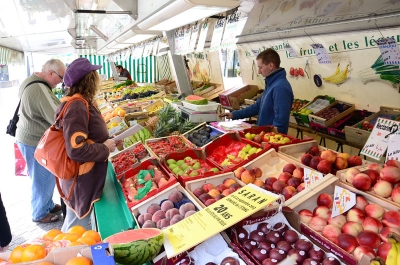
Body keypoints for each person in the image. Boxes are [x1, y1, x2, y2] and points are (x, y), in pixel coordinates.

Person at [59, 58, 121, 231]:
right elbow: (76, 149)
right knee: (76, 229)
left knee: (75, 224)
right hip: (80, 180)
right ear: (90, 80)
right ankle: (66, 255)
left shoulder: (82, 102)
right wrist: (104, 148)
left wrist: (109, 140)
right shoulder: (77, 106)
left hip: (84, 177)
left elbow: (88, 135)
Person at [16, 59, 66, 223]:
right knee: (42, 177)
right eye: (60, 77)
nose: (60, 82)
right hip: (35, 141)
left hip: (28, 138)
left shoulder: (32, 80)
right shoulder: (39, 88)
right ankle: (40, 213)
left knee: (43, 176)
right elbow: (55, 116)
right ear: (51, 73)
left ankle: (47, 205)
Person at [219, 48, 294, 134]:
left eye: (260, 67)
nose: (259, 71)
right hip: (264, 135)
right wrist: (235, 114)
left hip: (271, 140)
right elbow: (258, 106)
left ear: (271, 65)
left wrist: (269, 139)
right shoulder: (271, 84)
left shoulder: (280, 88)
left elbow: (280, 122)